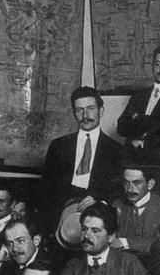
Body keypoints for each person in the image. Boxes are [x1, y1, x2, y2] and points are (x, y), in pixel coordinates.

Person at [40, 86, 123, 230]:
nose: (85, 115)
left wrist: (98, 199)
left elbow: (118, 187)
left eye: (90, 108)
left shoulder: (115, 150)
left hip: (96, 211)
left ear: (101, 111)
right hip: (62, 211)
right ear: (74, 113)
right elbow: (47, 187)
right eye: (79, 110)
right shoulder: (58, 146)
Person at [54, 202, 147, 275]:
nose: (87, 235)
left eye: (95, 230)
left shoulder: (129, 263)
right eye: (84, 229)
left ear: (111, 237)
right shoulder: (73, 265)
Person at [115, 46, 160, 151]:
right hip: (132, 156)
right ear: (152, 67)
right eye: (158, 64)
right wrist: (153, 122)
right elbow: (121, 129)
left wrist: (138, 118)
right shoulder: (138, 96)